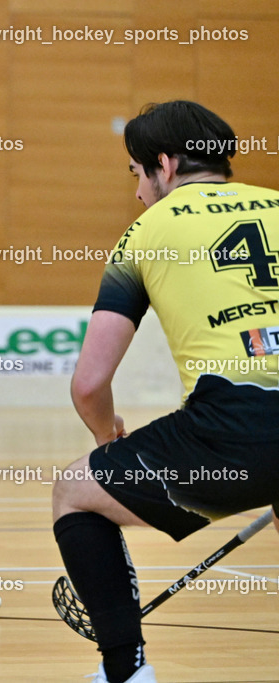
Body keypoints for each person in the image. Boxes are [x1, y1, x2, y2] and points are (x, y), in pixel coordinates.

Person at [52, 100, 279, 683]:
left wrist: (106, 437)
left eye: (136, 174)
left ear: (164, 165)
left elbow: (90, 382)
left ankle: (125, 672)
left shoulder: (148, 232)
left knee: (76, 492)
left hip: (234, 427)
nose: (136, 193)